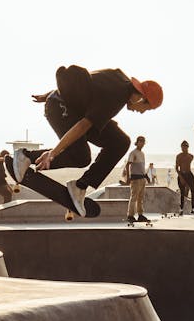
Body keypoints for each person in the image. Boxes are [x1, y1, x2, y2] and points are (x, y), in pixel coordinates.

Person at [9, 65, 163, 217]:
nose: (141, 112)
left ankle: (79, 186)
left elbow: (87, 82)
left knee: (120, 142)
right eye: (146, 109)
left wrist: (50, 94)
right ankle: (26, 156)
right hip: (61, 108)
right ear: (141, 98)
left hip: (70, 106)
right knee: (81, 156)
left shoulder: (119, 76)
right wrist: (53, 153)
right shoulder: (116, 97)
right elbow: (84, 125)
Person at [126, 135, 149, 224]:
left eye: (143, 142)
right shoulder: (133, 153)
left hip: (142, 178)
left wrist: (146, 177)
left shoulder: (142, 153)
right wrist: (128, 177)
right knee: (134, 197)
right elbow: (127, 165)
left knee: (141, 198)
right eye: (140, 141)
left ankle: (140, 215)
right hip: (135, 179)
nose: (142, 143)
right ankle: (130, 215)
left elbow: (142, 167)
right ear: (137, 142)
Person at [176, 140, 194, 214]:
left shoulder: (191, 156)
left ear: (188, 147)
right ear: (181, 147)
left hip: (189, 174)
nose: (184, 148)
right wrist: (181, 177)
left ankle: (193, 208)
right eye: (183, 147)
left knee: (193, 190)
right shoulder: (179, 156)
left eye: (185, 146)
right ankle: (181, 209)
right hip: (181, 174)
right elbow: (176, 168)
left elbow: (188, 163)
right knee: (182, 192)